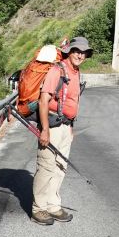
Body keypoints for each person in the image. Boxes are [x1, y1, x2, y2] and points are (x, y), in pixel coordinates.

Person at [31, 36, 92, 225]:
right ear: (69, 51)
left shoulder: (76, 72)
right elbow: (43, 101)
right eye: (76, 51)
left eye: (83, 52)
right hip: (52, 126)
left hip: (66, 126)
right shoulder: (57, 70)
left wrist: (71, 126)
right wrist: (45, 131)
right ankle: (38, 209)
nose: (80, 55)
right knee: (46, 167)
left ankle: (53, 206)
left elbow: (71, 101)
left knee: (60, 167)